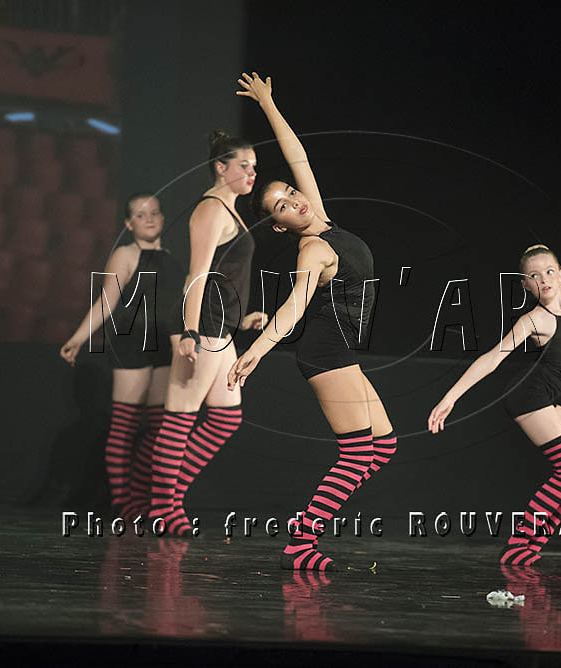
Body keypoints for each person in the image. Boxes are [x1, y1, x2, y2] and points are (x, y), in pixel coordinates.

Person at [228, 73, 397, 571]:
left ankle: (305, 532)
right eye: (282, 206)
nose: (294, 200)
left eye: (290, 192)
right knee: (357, 453)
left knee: (383, 446)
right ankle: (300, 545)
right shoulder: (313, 248)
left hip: (342, 352)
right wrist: (256, 351)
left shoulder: (322, 217)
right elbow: (295, 308)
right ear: (281, 225)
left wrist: (268, 103)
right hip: (325, 353)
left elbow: (297, 155)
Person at [428, 162, 561, 567]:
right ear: (526, 284)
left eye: (549, 271)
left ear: (558, 273)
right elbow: (492, 358)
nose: (545, 279)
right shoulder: (534, 319)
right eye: (535, 276)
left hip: (546, 398)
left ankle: (535, 540)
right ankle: (518, 548)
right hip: (529, 399)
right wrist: (451, 397)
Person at [146, 130, 267, 535]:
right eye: (243, 166)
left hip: (221, 324)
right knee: (181, 416)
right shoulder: (212, 209)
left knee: (226, 418)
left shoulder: (229, 209)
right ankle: (162, 508)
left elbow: (223, 273)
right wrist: (190, 330)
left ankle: (169, 499)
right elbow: (197, 275)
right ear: (220, 167)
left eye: (254, 167)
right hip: (203, 324)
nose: (251, 173)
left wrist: (242, 318)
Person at [60, 193, 184, 518]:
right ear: (129, 224)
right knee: (125, 426)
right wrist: (78, 338)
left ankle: (141, 497)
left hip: (163, 345)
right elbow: (107, 301)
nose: (150, 219)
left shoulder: (172, 258)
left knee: (160, 428)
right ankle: (122, 501)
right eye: (141, 215)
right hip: (131, 342)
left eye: (155, 212)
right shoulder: (125, 254)